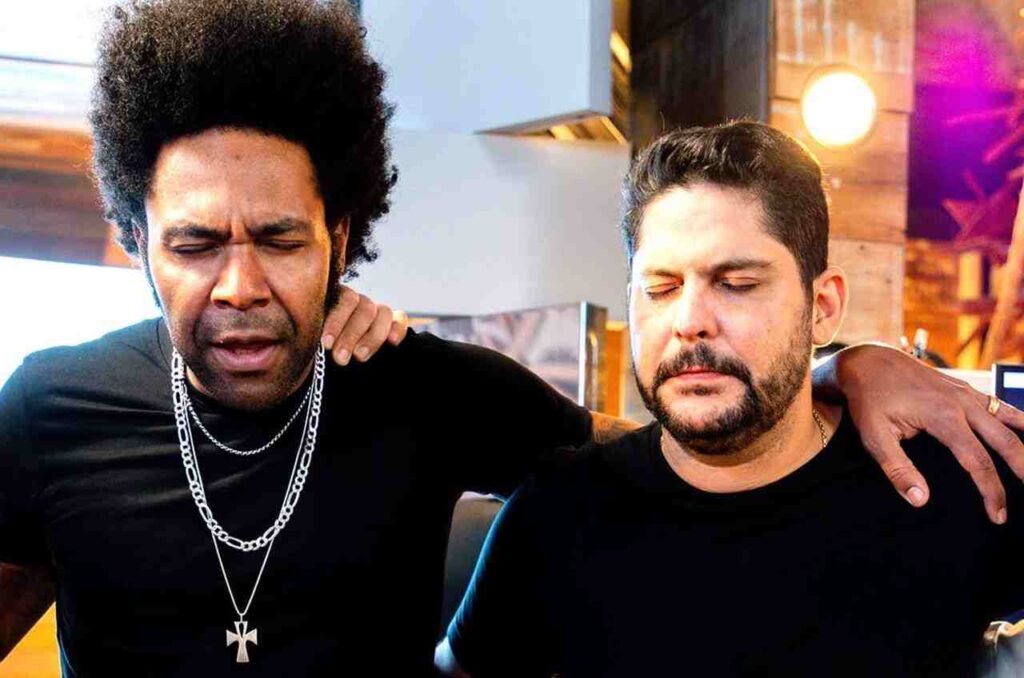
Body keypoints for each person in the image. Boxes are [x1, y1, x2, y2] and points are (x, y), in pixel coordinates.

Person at [0, 2, 1021, 675]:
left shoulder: (430, 392)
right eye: (193, 244)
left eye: (279, 240)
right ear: (135, 238)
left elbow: (678, 440)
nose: (239, 285)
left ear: (340, 237)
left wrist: (848, 365)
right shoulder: (49, 409)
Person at [437, 122, 1024, 677]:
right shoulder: (557, 515)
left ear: (822, 308)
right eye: (661, 288)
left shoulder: (955, 480)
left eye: (736, 284)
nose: (689, 320)